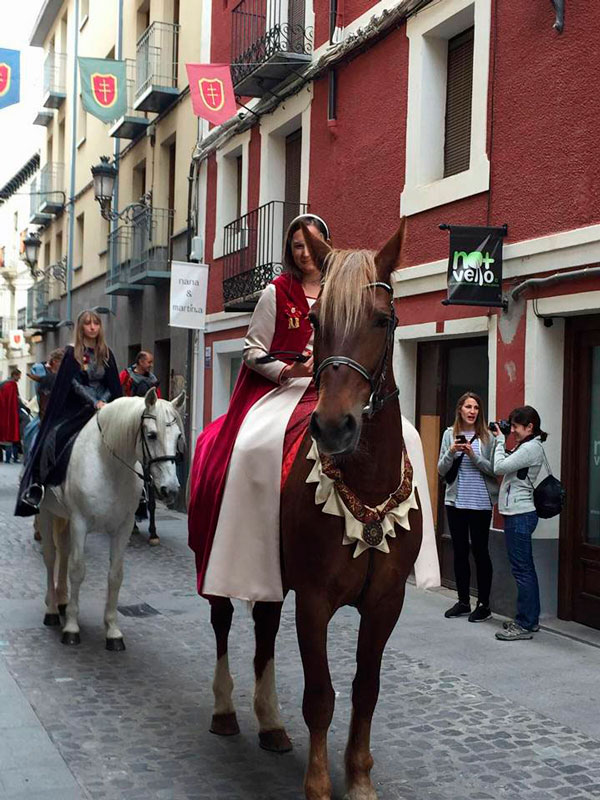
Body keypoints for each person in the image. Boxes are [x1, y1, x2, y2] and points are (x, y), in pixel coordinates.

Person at [188, 214, 330, 600]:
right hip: (284, 387)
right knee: (254, 447)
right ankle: (249, 537)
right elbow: (252, 351)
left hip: (332, 389)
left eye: (311, 243)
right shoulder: (277, 292)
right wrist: (290, 370)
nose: (304, 252)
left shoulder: (341, 290)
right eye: (297, 245)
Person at [15, 310, 122, 516]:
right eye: (88, 324)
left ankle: (141, 490)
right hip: (76, 408)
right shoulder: (72, 353)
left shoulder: (106, 353)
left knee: (130, 436)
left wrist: (104, 401)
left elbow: (113, 383)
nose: (92, 327)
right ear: (81, 327)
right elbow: (72, 383)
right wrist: (93, 402)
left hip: (106, 407)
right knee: (51, 437)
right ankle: (38, 485)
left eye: (96, 324)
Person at [438, 392, 498, 622]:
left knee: (481, 552)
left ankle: (484, 604)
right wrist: (452, 452)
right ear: (460, 410)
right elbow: (441, 470)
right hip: (456, 502)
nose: (472, 411)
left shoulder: (488, 438)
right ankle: (463, 601)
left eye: (476, 407)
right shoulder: (448, 435)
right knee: (460, 552)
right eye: (468, 407)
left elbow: (493, 470)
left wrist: (473, 455)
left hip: (481, 503)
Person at [492, 406, 547, 641]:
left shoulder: (532, 448)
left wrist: (498, 442)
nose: (512, 430)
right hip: (518, 514)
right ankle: (529, 619)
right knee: (524, 569)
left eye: (515, 426)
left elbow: (499, 467)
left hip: (521, 514)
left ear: (529, 427)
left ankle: (526, 623)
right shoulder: (526, 446)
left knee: (522, 570)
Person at [120, 350, 161, 545]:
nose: (151, 365)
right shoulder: (126, 376)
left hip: (147, 425)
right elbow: (118, 396)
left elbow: (157, 404)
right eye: (149, 361)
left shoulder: (152, 380)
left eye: (152, 361)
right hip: (129, 422)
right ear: (140, 361)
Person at [0, 368, 24, 463]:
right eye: (18, 376)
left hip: (3, 414)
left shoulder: (3, 383)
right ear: (15, 375)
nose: (19, 378)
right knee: (13, 435)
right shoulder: (12, 385)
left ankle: (7, 458)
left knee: (6, 436)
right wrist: (24, 408)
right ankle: (13, 458)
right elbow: (16, 399)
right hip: (11, 414)